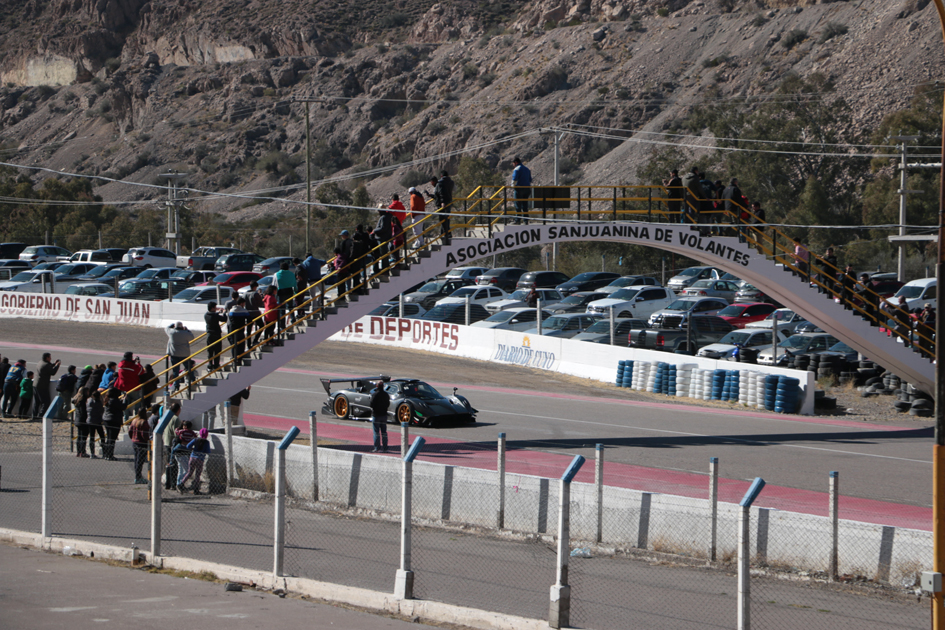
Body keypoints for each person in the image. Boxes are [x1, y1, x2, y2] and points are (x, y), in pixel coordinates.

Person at [180, 428, 211, 495]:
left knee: (189, 472)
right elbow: (208, 451)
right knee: (197, 475)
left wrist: (193, 449)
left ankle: (181, 483)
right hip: (200, 459)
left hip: (192, 457)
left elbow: (188, 446)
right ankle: (196, 489)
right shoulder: (206, 442)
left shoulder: (195, 440)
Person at [166, 322, 195, 389]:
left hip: (174, 353)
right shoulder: (185, 333)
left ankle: (176, 385)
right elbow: (192, 337)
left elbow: (166, 328)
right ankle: (193, 379)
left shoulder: (172, 332)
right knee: (189, 368)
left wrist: (171, 325)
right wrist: (187, 330)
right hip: (185, 354)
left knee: (175, 371)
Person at [115, 352, 144, 416]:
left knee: (125, 403)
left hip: (123, 387)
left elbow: (128, 366)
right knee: (138, 402)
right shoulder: (133, 366)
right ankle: (137, 415)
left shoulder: (120, 365)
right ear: (130, 357)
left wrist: (133, 361)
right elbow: (141, 371)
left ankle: (126, 419)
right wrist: (139, 363)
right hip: (134, 387)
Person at [162, 402, 183, 489]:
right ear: (178, 410)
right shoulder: (176, 419)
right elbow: (176, 433)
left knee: (168, 465)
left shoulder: (167, 416)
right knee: (174, 465)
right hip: (172, 444)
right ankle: (173, 484)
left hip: (166, 443)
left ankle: (168, 483)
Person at [35, 352, 61, 418]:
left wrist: (54, 364)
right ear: (47, 358)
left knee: (37, 401)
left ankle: (34, 415)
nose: (51, 358)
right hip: (42, 385)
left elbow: (48, 368)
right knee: (45, 402)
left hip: (36, 384)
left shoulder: (41, 362)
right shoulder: (45, 365)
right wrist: (57, 365)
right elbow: (52, 372)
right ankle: (41, 416)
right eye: (49, 357)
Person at [174, 420, 197, 492]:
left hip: (179, 452)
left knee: (182, 469)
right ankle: (180, 484)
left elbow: (176, 432)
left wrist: (177, 428)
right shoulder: (192, 433)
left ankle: (179, 483)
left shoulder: (182, 432)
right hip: (185, 452)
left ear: (185, 426)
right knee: (187, 470)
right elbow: (195, 437)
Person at [129, 408, 151, 484]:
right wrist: (147, 440)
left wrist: (132, 437)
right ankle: (138, 477)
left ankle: (138, 476)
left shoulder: (134, 420)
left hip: (134, 442)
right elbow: (144, 434)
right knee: (140, 461)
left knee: (136, 459)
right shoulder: (144, 422)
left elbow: (130, 431)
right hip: (141, 443)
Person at [101, 388, 124, 460]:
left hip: (107, 420)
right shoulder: (114, 400)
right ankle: (110, 455)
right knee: (112, 438)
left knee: (109, 438)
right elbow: (123, 407)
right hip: (114, 420)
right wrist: (125, 400)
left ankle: (107, 454)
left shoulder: (108, 400)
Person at [227, 298, 250, 366]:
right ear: (241, 303)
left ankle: (234, 359)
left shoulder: (232, 310)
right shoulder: (243, 310)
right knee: (241, 346)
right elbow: (249, 319)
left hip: (232, 330)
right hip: (240, 330)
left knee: (234, 346)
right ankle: (239, 360)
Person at [369, 381, 390, 453]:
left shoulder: (375, 394)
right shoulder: (386, 394)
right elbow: (388, 404)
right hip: (384, 415)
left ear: (377, 386)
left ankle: (377, 447)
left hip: (376, 415)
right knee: (384, 432)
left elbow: (371, 404)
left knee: (376, 432)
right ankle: (385, 448)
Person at [204, 303, 227, 370]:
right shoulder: (215, 315)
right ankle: (216, 365)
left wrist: (218, 312)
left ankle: (210, 365)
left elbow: (213, 315)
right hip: (216, 334)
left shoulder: (206, 315)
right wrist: (224, 312)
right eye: (215, 307)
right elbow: (224, 319)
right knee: (217, 351)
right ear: (212, 308)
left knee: (210, 351)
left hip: (209, 334)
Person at [434, 171, 454, 244]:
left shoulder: (440, 183)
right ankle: (447, 233)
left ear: (441, 176)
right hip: (449, 202)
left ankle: (444, 233)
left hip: (443, 203)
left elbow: (441, 192)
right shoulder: (451, 182)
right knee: (447, 218)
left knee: (442, 218)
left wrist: (442, 201)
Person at [511, 157, 532, 225]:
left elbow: (514, 179)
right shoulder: (527, 169)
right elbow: (530, 180)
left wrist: (512, 186)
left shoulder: (517, 169)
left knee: (518, 205)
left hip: (519, 189)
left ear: (516, 162)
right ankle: (526, 221)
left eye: (513, 163)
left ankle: (517, 220)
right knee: (525, 205)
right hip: (527, 189)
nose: (513, 165)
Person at [371, 207, 393, 272]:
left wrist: (374, 231)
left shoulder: (384, 218)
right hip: (386, 237)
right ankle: (385, 267)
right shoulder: (389, 216)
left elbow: (383, 228)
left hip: (382, 238)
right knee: (384, 254)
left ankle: (385, 268)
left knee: (383, 254)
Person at [86, 390, 105, 459]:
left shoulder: (88, 401)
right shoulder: (98, 403)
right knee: (102, 436)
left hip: (90, 421)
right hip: (97, 421)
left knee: (92, 437)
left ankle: (92, 453)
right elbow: (102, 410)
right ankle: (104, 452)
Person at [72, 388, 90, 457]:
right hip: (83, 420)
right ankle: (82, 451)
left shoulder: (77, 400)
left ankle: (79, 451)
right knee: (83, 437)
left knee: (79, 436)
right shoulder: (83, 400)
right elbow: (83, 412)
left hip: (78, 419)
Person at [337, 230, 354, 296]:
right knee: (349, 277)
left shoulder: (343, 243)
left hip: (345, 262)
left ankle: (345, 291)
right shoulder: (351, 241)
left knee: (344, 278)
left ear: (344, 235)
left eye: (342, 235)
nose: (341, 236)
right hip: (350, 261)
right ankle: (349, 289)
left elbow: (342, 253)